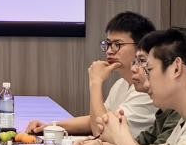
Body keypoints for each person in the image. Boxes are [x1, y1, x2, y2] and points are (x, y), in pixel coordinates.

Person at [25, 12, 157, 138]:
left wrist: (96, 82)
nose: (109, 51)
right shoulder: (121, 83)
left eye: (117, 44)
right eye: (108, 44)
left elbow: (101, 132)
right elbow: (94, 120)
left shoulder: (146, 90)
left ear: (140, 47)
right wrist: (51, 127)